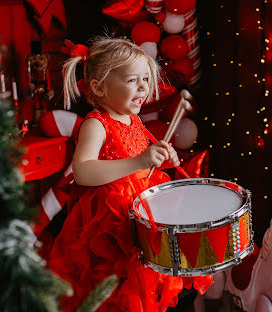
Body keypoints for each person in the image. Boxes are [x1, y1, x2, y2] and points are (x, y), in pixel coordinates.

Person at [48, 37, 185, 312]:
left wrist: (162, 159)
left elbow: (142, 165)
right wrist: (138, 161)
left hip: (139, 220)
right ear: (99, 87)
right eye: (133, 80)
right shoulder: (96, 124)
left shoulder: (132, 119)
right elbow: (83, 171)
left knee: (141, 289)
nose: (144, 87)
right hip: (107, 228)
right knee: (113, 296)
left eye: (146, 79)